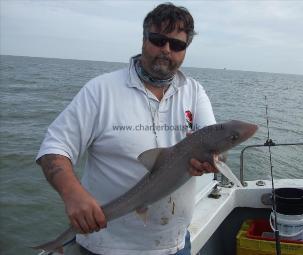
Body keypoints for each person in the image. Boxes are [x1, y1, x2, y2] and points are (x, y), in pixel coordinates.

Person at [36, 3, 217, 255]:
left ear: (185, 50)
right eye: (157, 40)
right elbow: (53, 148)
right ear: (143, 40)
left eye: (176, 45)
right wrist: (72, 193)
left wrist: (212, 160)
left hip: (174, 244)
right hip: (105, 245)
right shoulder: (101, 90)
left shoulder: (194, 92)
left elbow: (212, 138)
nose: (166, 50)